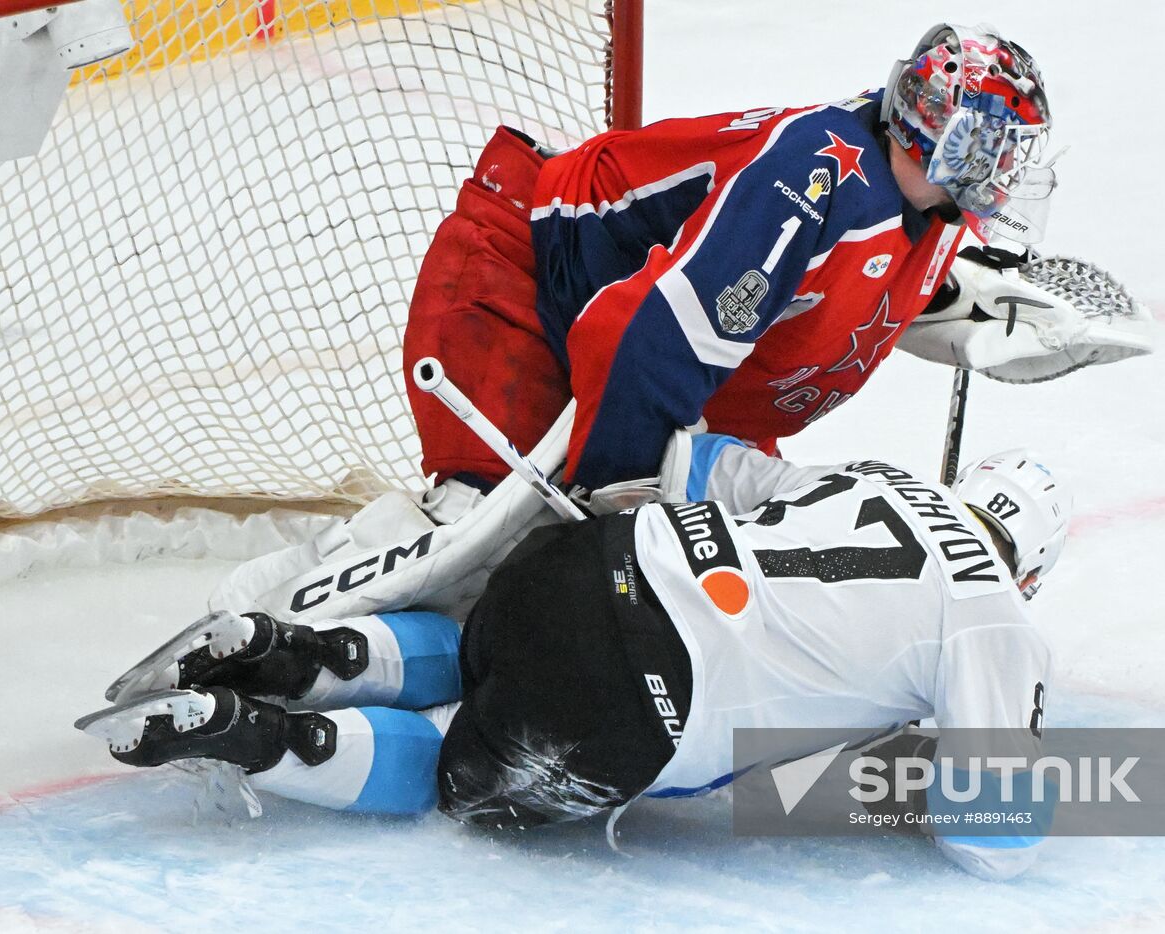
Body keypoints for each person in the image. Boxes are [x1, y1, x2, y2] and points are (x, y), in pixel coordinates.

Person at [78, 439, 1069, 880]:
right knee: (456, 767)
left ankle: (292, 648)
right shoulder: (996, 615)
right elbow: (994, 839)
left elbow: (707, 459)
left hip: (589, 557)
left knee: (483, 652)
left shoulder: (878, 477)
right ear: (1027, 570)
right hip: (634, 695)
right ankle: (254, 734)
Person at [403, 22, 1058, 494]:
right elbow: (651, 341)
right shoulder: (815, 183)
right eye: (996, 146)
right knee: (486, 572)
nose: (1006, 167)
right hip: (524, 284)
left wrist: (953, 301)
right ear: (945, 135)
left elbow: (819, 285)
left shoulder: (933, 204)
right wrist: (621, 504)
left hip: (662, 381)